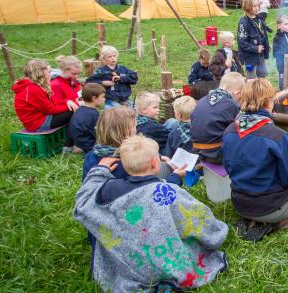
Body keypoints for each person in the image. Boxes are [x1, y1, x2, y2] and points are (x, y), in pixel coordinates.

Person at [73, 135, 227, 291]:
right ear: (155, 163)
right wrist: (217, 232)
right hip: (166, 265)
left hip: (127, 266)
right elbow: (197, 218)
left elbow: (83, 201)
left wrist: (99, 171)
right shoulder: (167, 191)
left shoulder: (108, 191)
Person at [222, 78, 288, 238]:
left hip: (239, 203)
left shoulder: (229, 131)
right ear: (267, 102)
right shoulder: (277, 136)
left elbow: (227, 168)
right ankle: (277, 223)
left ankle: (253, 220)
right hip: (269, 206)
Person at [190, 72, 245, 163]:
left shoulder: (202, 100)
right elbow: (241, 129)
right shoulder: (231, 105)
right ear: (237, 93)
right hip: (216, 153)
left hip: (196, 150)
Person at [13, 59, 77, 132]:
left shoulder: (32, 86)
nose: (51, 74)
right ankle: (73, 140)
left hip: (42, 118)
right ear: (40, 73)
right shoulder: (32, 89)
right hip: (38, 124)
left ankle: (71, 139)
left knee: (74, 109)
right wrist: (74, 105)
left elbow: (53, 102)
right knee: (76, 110)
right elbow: (52, 110)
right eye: (49, 72)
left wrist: (67, 101)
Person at [82, 106, 137, 180]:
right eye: (134, 126)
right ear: (125, 132)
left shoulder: (91, 156)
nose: (136, 130)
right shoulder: (131, 159)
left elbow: (86, 183)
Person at [237, 0, 270, 78]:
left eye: (257, 6)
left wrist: (266, 45)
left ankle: (261, 91)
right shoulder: (243, 22)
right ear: (247, 6)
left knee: (262, 74)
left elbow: (263, 34)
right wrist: (255, 48)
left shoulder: (259, 19)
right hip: (250, 57)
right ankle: (251, 91)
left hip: (260, 55)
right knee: (251, 78)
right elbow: (242, 42)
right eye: (254, 6)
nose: (257, 8)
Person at [69, 83, 105, 153]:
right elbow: (99, 134)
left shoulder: (79, 109)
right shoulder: (93, 114)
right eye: (102, 97)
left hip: (78, 141)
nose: (104, 99)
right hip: (89, 145)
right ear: (94, 98)